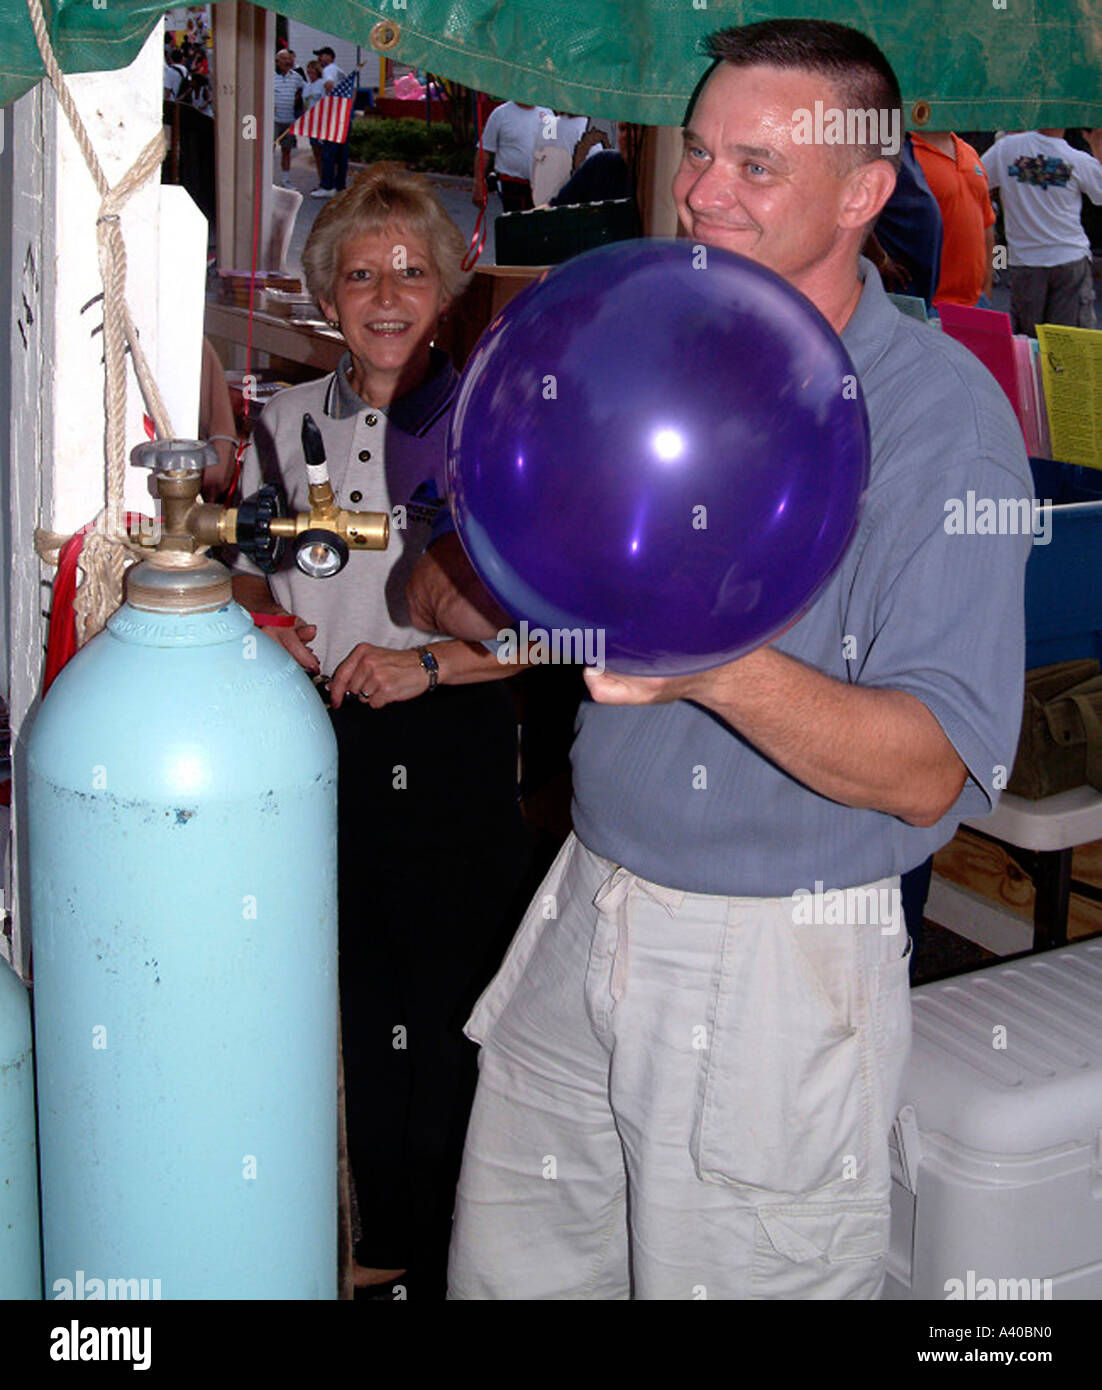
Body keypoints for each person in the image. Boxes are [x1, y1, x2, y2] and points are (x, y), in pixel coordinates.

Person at [408, 19, 1033, 1300]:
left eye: (756, 166)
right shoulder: (667, 340)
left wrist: (708, 663)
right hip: (593, 894)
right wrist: (494, 588)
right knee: (510, 1272)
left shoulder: (936, 423)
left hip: (775, 964)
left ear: (863, 191)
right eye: (700, 153)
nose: (697, 191)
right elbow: (606, 601)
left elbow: (936, 767)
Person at [231, 165, 531, 1300]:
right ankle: (379, 1242)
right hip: (329, 746)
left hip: (452, 738)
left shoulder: (496, 427)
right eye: (362, 274)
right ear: (327, 298)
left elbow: (568, 639)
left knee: (455, 1006)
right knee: (355, 996)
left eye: (412, 270)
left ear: (448, 286)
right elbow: (256, 583)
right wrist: (269, 633)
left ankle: (462, 1245)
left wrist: (429, 665)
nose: (388, 293)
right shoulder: (283, 425)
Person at [983, 127, 1102, 333]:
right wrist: (1096, 145)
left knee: (1029, 345)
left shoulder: (1006, 149)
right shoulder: (1076, 158)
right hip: (1069, 259)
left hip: (1026, 261)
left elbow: (976, 178)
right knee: (1071, 345)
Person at [912, 130, 997, 307]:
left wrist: (987, 287)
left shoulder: (969, 152)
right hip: (930, 304)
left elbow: (986, 224)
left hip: (977, 302)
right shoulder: (906, 155)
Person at [474, 100, 548, 212]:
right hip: (512, 185)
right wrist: (479, 185)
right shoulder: (500, 114)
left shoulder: (548, 114)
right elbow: (485, 151)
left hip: (542, 186)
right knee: (515, 226)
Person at [311, 46, 351, 199]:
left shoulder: (329, 70)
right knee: (341, 154)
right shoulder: (340, 71)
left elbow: (329, 85)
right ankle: (340, 186)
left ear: (330, 57)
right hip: (344, 115)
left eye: (322, 56)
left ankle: (327, 185)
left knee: (328, 153)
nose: (319, 59)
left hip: (334, 116)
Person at [274, 48, 305, 188]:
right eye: (284, 59)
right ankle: (267, 180)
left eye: (289, 59)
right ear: (277, 61)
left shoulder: (296, 77)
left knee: (287, 151)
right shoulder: (270, 75)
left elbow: (306, 88)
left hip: (289, 119)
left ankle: (286, 180)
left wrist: (298, 98)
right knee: (269, 150)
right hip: (273, 120)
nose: (287, 61)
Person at [301, 59, 327, 184]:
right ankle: (321, 180)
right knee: (316, 153)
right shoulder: (306, 86)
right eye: (308, 68)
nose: (310, 71)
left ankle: (328, 181)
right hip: (311, 124)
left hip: (321, 124)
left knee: (324, 154)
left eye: (313, 68)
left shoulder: (322, 84)